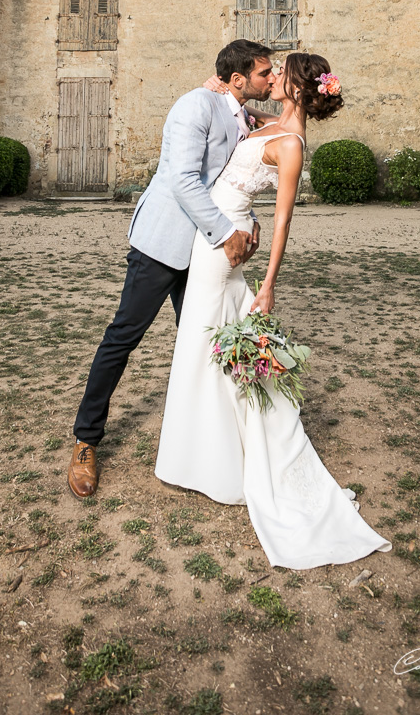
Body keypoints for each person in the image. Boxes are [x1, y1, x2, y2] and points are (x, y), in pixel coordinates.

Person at [154, 52, 393, 569]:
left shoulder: (290, 144)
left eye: (281, 73)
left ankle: (208, 462)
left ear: (298, 88)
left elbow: (284, 222)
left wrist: (269, 287)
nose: (273, 77)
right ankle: (209, 451)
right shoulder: (268, 123)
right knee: (207, 341)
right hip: (216, 231)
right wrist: (218, 88)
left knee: (201, 340)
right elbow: (240, 117)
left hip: (222, 246)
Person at [67, 40, 275, 498]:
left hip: (204, 253)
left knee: (209, 342)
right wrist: (227, 233)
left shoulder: (245, 118)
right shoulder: (194, 104)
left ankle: (212, 443)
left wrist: (250, 221)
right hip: (164, 242)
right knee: (124, 336)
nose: (271, 79)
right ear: (238, 79)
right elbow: (182, 179)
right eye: (265, 73)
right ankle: (86, 440)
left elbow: (229, 183)